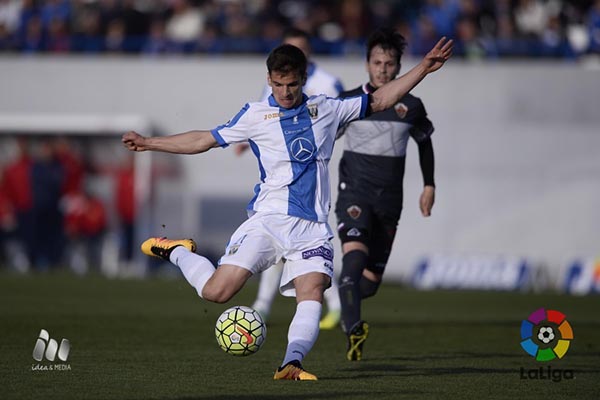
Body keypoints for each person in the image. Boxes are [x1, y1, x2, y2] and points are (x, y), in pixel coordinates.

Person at [122, 37, 452, 380]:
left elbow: (382, 98)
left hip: (312, 229)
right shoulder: (255, 115)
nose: (285, 92)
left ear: (304, 78)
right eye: (278, 84)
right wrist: (149, 143)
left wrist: (424, 68)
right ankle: (177, 251)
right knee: (216, 292)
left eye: (292, 84)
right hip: (268, 221)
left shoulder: (329, 108)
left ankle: (291, 363)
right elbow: (204, 139)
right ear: (269, 80)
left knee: (311, 293)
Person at [335, 28, 438, 361]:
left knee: (369, 284)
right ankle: (354, 329)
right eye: (377, 62)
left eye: (389, 63)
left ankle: (350, 305)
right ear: (366, 64)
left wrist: (429, 184)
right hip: (353, 195)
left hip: (389, 201)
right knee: (351, 264)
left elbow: (424, 143)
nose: (382, 69)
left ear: (398, 66)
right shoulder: (348, 102)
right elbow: (321, 139)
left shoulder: (412, 105)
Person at [243, 27, 345, 330]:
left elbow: (337, 119)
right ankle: (263, 306)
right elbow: (265, 118)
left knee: (310, 246)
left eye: (300, 47)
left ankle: (336, 306)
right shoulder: (276, 81)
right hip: (279, 171)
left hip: (311, 170)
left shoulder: (327, 83)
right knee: (280, 242)